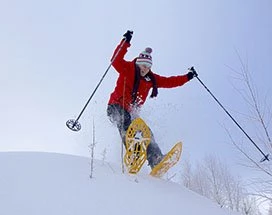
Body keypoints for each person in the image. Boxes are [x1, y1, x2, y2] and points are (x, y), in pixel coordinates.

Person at [107, 30, 197, 169]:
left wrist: (188, 77)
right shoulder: (127, 68)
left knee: (146, 132)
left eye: (148, 67)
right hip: (115, 106)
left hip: (130, 112)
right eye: (143, 65)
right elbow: (115, 59)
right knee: (124, 121)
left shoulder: (151, 79)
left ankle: (156, 159)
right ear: (138, 63)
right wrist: (126, 42)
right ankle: (134, 153)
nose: (145, 69)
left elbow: (170, 82)